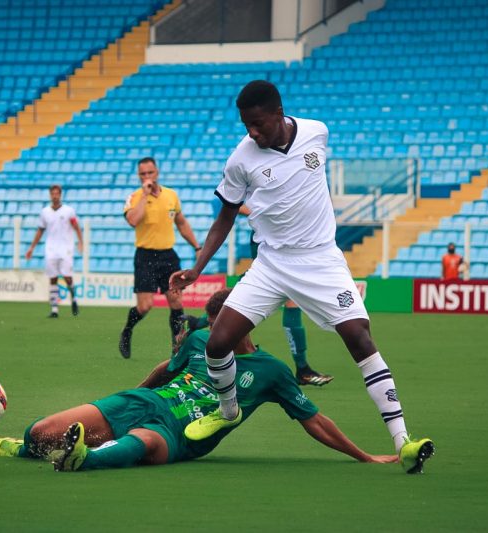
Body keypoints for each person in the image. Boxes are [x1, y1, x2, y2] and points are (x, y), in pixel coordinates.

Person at [169, 80, 433, 469]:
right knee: (218, 343)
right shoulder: (240, 159)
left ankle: (403, 440)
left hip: (321, 260)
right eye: (246, 125)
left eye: (258, 124)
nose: (252, 132)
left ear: (278, 113)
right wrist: (197, 268)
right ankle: (227, 411)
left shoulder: (316, 132)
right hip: (271, 264)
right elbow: (225, 216)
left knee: (359, 337)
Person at [0, 289, 401, 472]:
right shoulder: (200, 339)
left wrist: (364, 456)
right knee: (41, 432)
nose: (214, 334)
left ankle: (83, 459)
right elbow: (166, 368)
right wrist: (136, 395)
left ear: (245, 322)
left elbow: (315, 420)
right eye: (214, 325)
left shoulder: (271, 371)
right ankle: (26, 448)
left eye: (223, 326)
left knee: (142, 443)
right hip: (147, 402)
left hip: (179, 433)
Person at [187, 205, 333, 386]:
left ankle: (303, 369)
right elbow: (235, 204)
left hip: (285, 241)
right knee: (254, 293)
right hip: (267, 240)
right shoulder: (259, 189)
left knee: (276, 296)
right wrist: (263, 211)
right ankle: (302, 369)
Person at [118, 156, 202, 359]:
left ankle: (177, 349)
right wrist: (145, 196)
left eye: (150, 172)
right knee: (145, 306)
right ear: (139, 176)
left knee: (176, 302)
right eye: (143, 174)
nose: (147, 176)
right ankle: (127, 330)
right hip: (145, 256)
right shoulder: (134, 197)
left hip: (168, 256)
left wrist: (197, 246)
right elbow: (133, 220)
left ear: (157, 172)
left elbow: (181, 223)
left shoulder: (171, 195)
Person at [25, 185, 83, 318]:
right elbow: (40, 230)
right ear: (50, 195)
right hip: (51, 249)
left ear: (60, 195)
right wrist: (32, 248)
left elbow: (76, 226)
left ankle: (74, 298)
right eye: (53, 194)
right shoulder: (45, 212)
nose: (55, 196)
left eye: (57, 194)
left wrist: (80, 242)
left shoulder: (69, 211)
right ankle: (54, 309)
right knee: (53, 278)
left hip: (66, 248)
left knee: (67, 277)